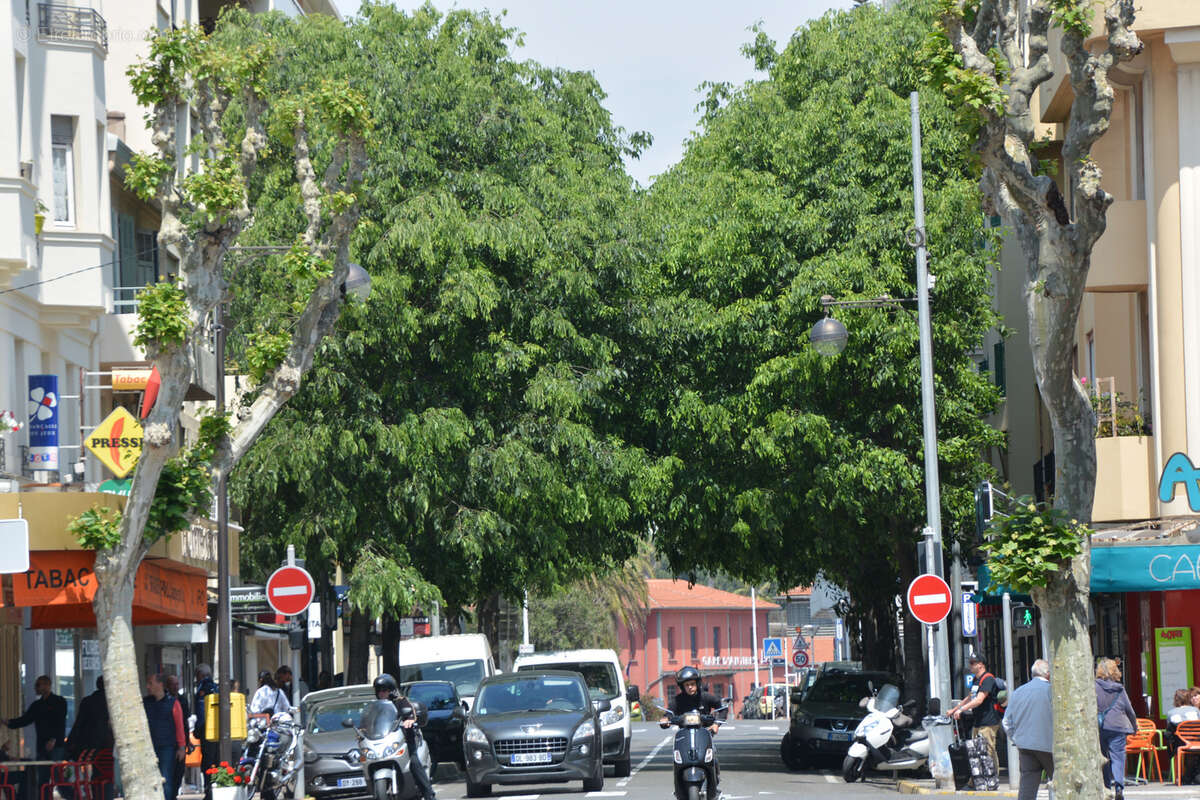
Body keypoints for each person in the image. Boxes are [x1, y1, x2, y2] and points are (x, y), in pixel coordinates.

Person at [2, 675, 67, 800]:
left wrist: (53, 739)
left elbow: (59, 722)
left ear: (47, 685)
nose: (35, 688)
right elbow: (25, 719)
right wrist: (9, 722)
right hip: (42, 746)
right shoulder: (37, 705)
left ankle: (72, 796)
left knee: (57, 776)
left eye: (38, 685)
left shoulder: (59, 701)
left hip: (56, 745)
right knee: (42, 778)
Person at [373, 674, 436, 800]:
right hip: (386, 743)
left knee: (413, 763)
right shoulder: (376, 707)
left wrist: (410, 720)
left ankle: (429, 795)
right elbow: (371, 722)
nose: (381, 693)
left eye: (384, 690)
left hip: (405, 740)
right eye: (379, 691)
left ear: (391, 690)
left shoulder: (401, 701)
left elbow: (410, 712)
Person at [659, 667, 722, 789]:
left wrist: (716, 724)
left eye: (692, 684)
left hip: (704, 733)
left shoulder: (706, 697)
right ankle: (679, 785)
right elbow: (668, 714)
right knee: (677, 757)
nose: (690, 687)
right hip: (684, 736)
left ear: (697, 683)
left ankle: (715, 778)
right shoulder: (677, 700)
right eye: (687, 685)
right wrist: (665, 720)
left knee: (712, 753)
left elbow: (721, 707)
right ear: (682, 686)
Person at [1002, 660, 1053, 800]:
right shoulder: (1051, 691)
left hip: (1025, 745)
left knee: (1027, 788)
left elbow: (1006, 722)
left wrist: (1017, 739)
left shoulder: (1018, 692)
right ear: (1048, 674)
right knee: (1058, 782)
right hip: (1049, 745)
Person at [949, 656, 1003, 769]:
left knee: (988, 751)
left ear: (981, 665)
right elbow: (969, 697)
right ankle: (980, 778)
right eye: (970, 663)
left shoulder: (988, 679)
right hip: (978, 721)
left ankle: (992, 778)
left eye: (973, 663)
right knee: (977, 751)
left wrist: (961, 710)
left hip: (989, 721)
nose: (970, 665)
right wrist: (954, 709)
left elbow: (979, 700)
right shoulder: (976, 680)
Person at [1096, 658, 1137, 800]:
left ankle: (1106, 787)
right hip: (1118, 726)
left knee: (1103, 757)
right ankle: (1119, 787)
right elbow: (1130, 710)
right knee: (1118, 757)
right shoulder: (1119, 689)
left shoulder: (1093, 687)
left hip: (1100, 727)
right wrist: (1134, 726)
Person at [145, 673, 187, 800]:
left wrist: (181, 747)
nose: (148, 687)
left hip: (167, 747)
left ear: (160, 685)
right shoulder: (146, 702)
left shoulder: (173, 703)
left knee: (166, 780)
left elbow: (179, 725)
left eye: (150, 683)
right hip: (149, 748)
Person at [193, 664, 219, 800]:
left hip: (207, 731)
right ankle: (218, 788)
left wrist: (198, 729)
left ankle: (209, 791)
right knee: (217, 760)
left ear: (201, 675)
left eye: (197, 675)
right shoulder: (217, 687)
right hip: (218, 731)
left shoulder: (203, 688)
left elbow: (202, 712)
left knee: (207, 763)